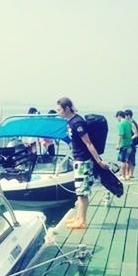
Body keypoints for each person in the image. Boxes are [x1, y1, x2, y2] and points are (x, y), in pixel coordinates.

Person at [56, 97, 108, 229]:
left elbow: (88, 143)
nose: (58, 113)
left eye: (59, 110)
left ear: (67, 108)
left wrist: (99, 161)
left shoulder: (77, 123)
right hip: (78, 160)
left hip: (83, 161)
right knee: (79, 190)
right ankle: (78, 217)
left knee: (82, 192)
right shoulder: (70, 122)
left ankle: (82, 221)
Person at [115, 110, 133, 181]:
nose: (117, 119)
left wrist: (118, 144)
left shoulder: (121, 124)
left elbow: (121, 135)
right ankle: (127, 175)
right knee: (127, 160)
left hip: (123, 144)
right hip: (129, 143)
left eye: (117, 117)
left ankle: (123, 176)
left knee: (122, 161)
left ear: (119, 116)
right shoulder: (128, 122)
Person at [124, 109, 138, 179]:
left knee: (130, 159)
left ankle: (130, 174)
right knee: (129, 159)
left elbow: (136, 134)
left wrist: (129, 139)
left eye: (125, 116)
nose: (125, 118)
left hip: (132, 144)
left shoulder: (132, 123)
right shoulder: (130, 122)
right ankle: (129, 174)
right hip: (131, 143)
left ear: (129, 116)